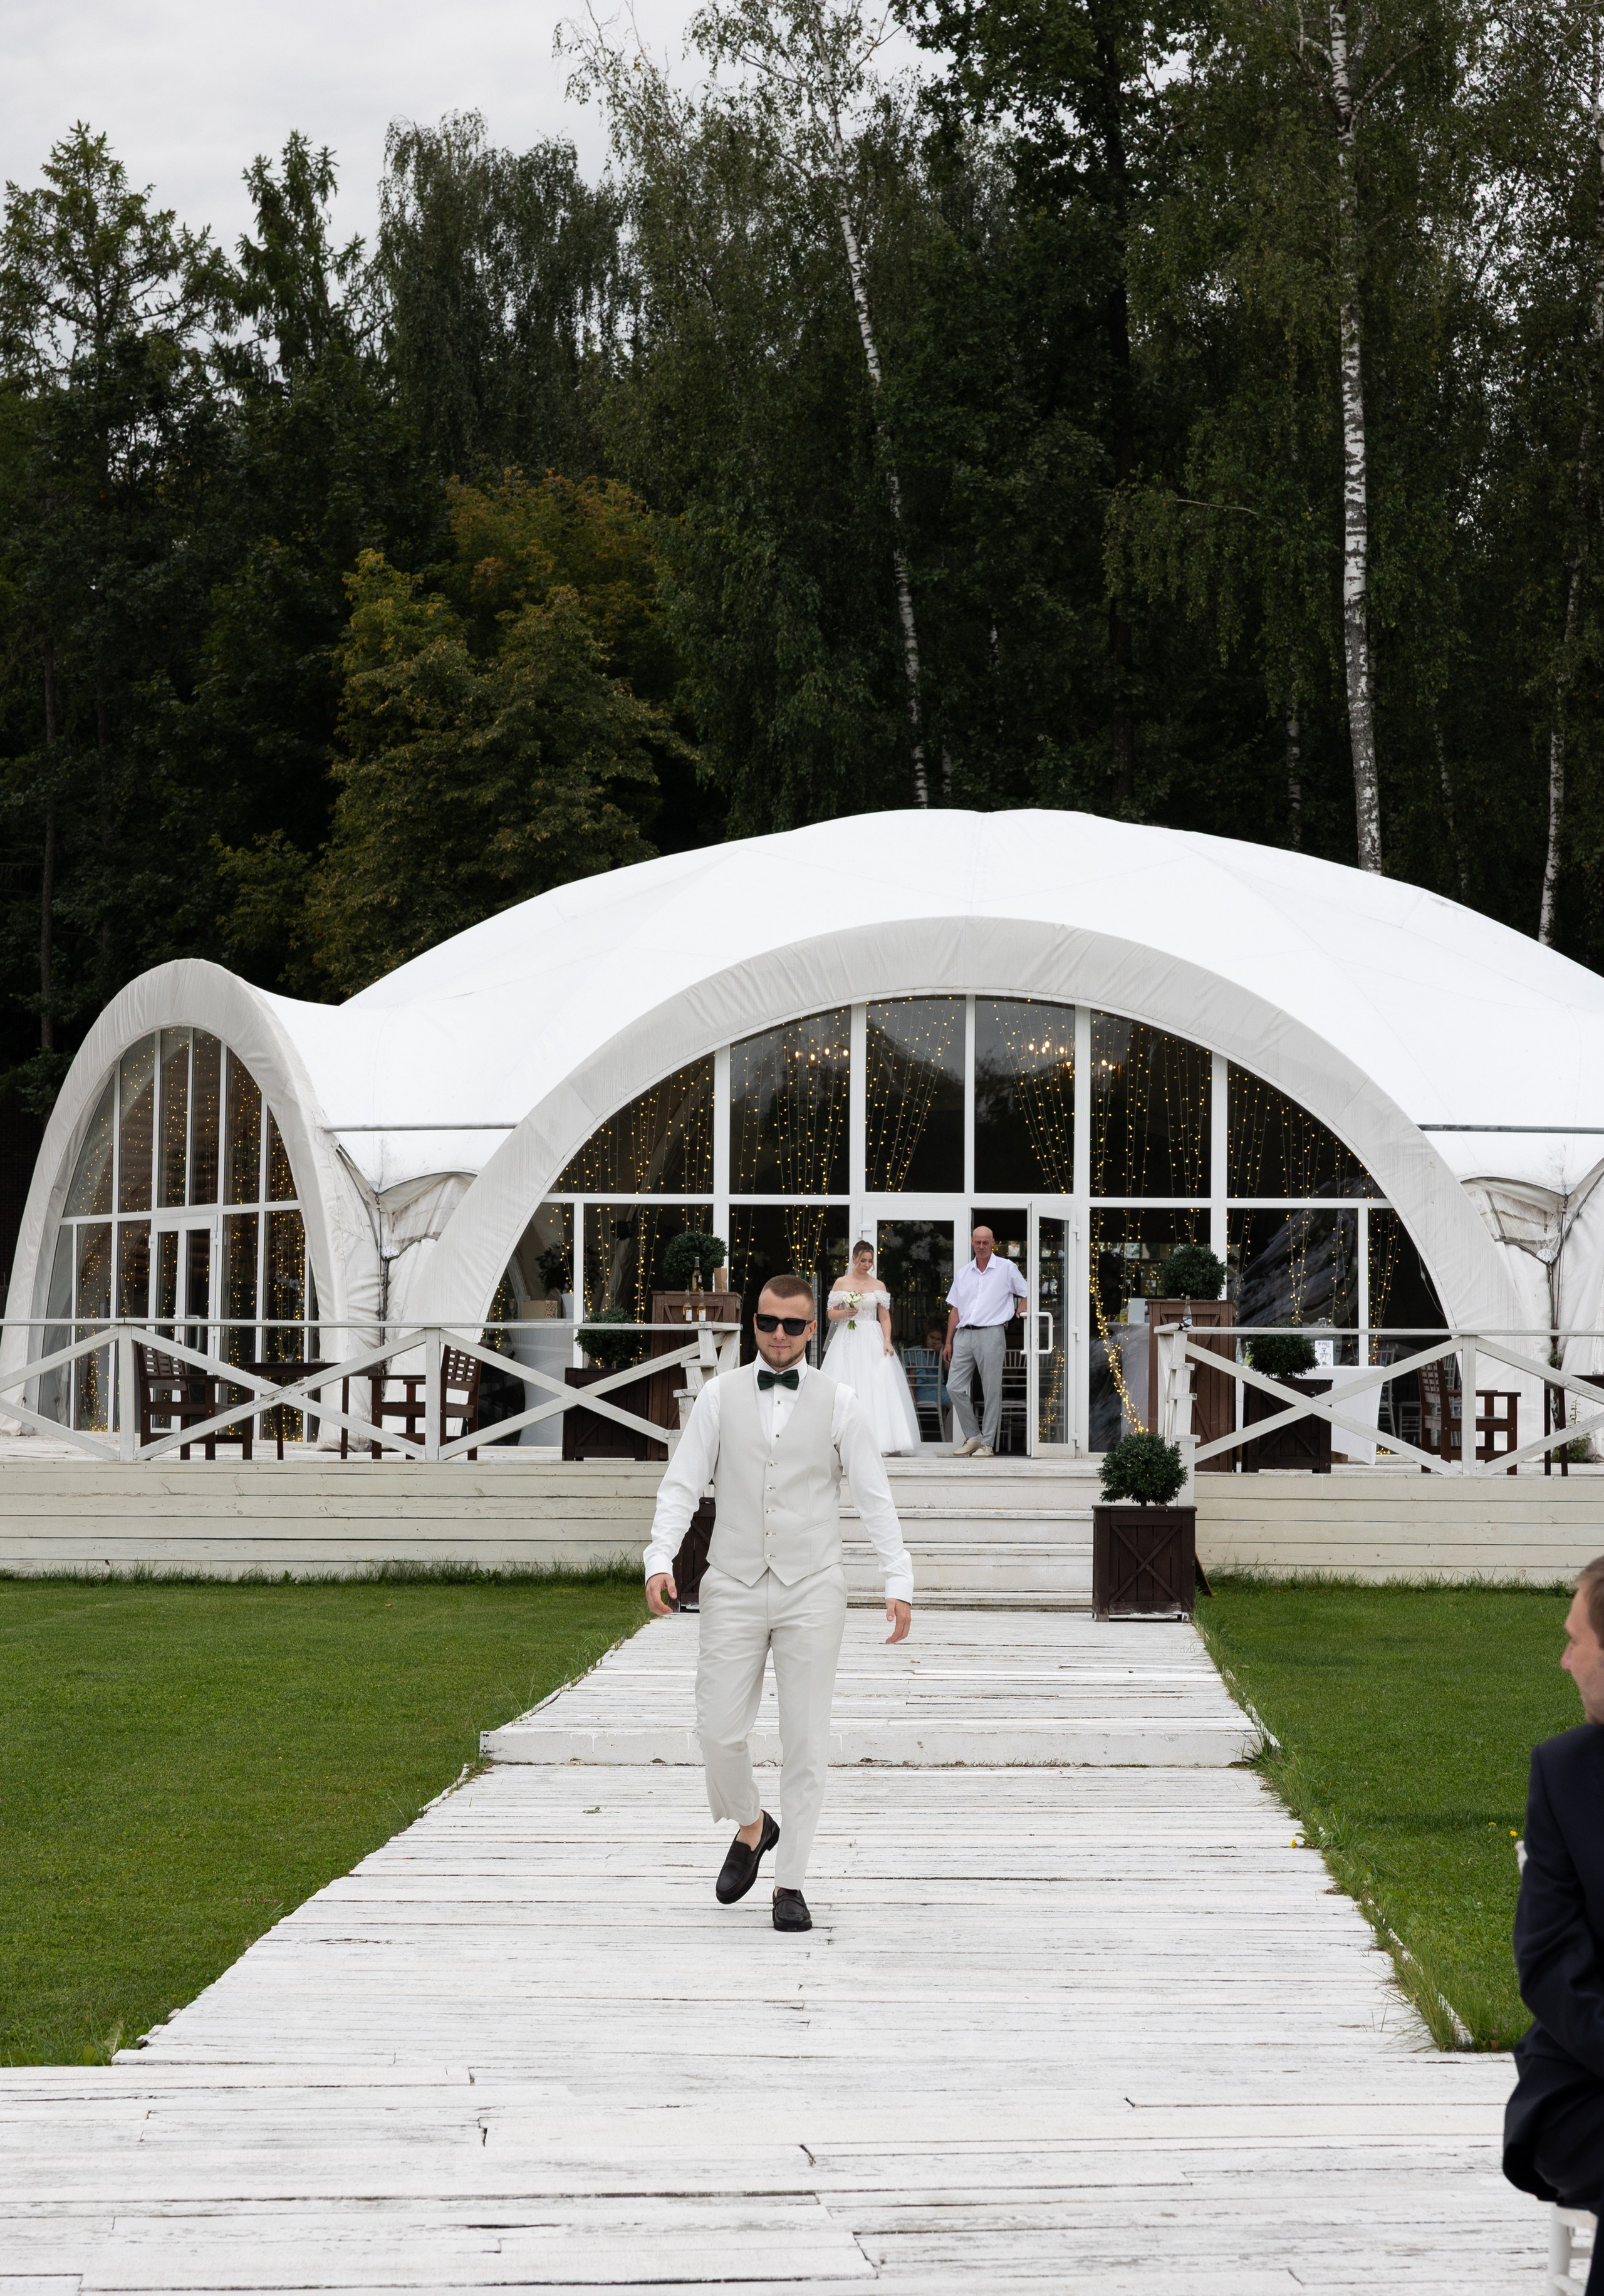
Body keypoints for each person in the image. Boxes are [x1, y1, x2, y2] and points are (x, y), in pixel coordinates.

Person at [643, 1273, 914, 1933]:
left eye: (793, 1325)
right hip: (731, 1579)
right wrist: (659, 1556)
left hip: (812, 1586)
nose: (779, 1335)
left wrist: (896, 1576)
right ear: (755, 1322)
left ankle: (790, 1881)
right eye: (769, 1322)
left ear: (812, 1328)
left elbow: (872, 1493)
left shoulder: (841, 1401)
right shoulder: (718, 1394)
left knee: (805, 1741)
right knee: (717, 1728)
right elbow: (682, 1483)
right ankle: (752, 1823)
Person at [1504, 1552, 1604, 2293]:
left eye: (1576, 1639)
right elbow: (1548, 1963)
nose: (1563, 1658)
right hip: (1584, 2081)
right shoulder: (1565, 1772)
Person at [820, 1240, 922, 1455]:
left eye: (870, 1261)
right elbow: (831, 1313)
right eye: (863, 1260)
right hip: (848, 1337)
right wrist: (843, 1314)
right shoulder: (841, 1282)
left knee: (876, 1383)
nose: (867, 1265)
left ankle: (879, 1440)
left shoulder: (879, 1286)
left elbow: (885, 1317)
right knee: (846, 1381)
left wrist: (887, 1341)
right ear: (854, 1259)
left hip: (872, 1337)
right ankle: (842, 1439)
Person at [942, 1226, 1028, 1458]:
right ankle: (974, 1435)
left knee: (991, 1391)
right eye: (978, 1242)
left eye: (986, 1243)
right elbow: (955, 1310)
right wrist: (948, 1342)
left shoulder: (1007, 1268)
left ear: (993, 1243)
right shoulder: (964, 1273)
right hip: (963, 1334)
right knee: (954, 1387)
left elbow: (1028, 1291)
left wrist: (1023, 1305)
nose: (981, 1246)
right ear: (972, 1242)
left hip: (991, 1333)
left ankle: (987, 1444)